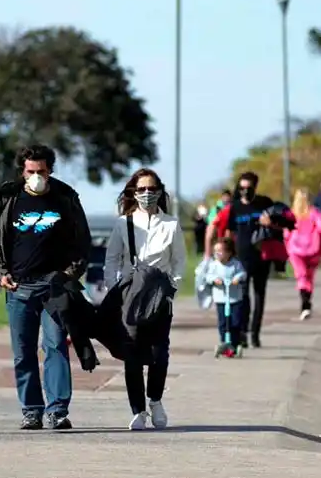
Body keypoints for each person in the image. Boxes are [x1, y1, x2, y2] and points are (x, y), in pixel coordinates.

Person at [0, 144, 91, 430]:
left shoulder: (65, 198)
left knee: (55, 347)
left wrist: (69, 274)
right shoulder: (6, 198)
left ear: (50, 170)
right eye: (31, 171)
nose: (36, 176)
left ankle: (58, 410)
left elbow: (82, 241)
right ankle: (31, 409)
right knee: (23, 352)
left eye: (41, 171)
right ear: (22, 172)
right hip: (18, 287)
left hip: (55, 288)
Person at [104, 168, 186, 431]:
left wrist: (172, 288)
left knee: (159, 353)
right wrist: (115, 288)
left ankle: (156, 400)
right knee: (133, 355)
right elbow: (112, 259)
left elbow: (179, 261)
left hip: (161, 297)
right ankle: (137, 410)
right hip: (130, 297)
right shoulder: (123, 223)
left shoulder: (171, 224)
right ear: (133, 192)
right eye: (141, 189)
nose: (147, 194)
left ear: (160, 191)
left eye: (152, 189)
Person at [206, 172, 278, 348]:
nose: (245, 191)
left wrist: (269, 223)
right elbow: (230, 232)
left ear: (255, 187)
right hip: (242, 257)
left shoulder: (265, 203)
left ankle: (255, 333)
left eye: (249, 188)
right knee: (242, 296)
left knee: (260, 295)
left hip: (261, 256)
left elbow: (279, 226)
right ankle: (243, 332)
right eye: (242, 188)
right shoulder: (235, 207)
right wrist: (227, 254)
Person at [285, 189, 321, 319]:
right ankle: (307, 303)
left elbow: (286, 233)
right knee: (309, 276)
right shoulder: (314, 213)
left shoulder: (291, 214)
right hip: (312, 248)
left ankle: (305, 304)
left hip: (295, 249)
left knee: (301, 276)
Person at [203, 238, 247, 358]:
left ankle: (235, 343)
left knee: (235, 322)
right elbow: (208, 276)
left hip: (234, 299)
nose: (217, 254)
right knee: (223, 322)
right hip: (221, 298)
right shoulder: (214, 265)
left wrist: (237, 278)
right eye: (215, 251)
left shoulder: (235, 264)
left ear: (229, 253)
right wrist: (214, 280)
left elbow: (243, 273)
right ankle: (224, 342)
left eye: (220, 251)